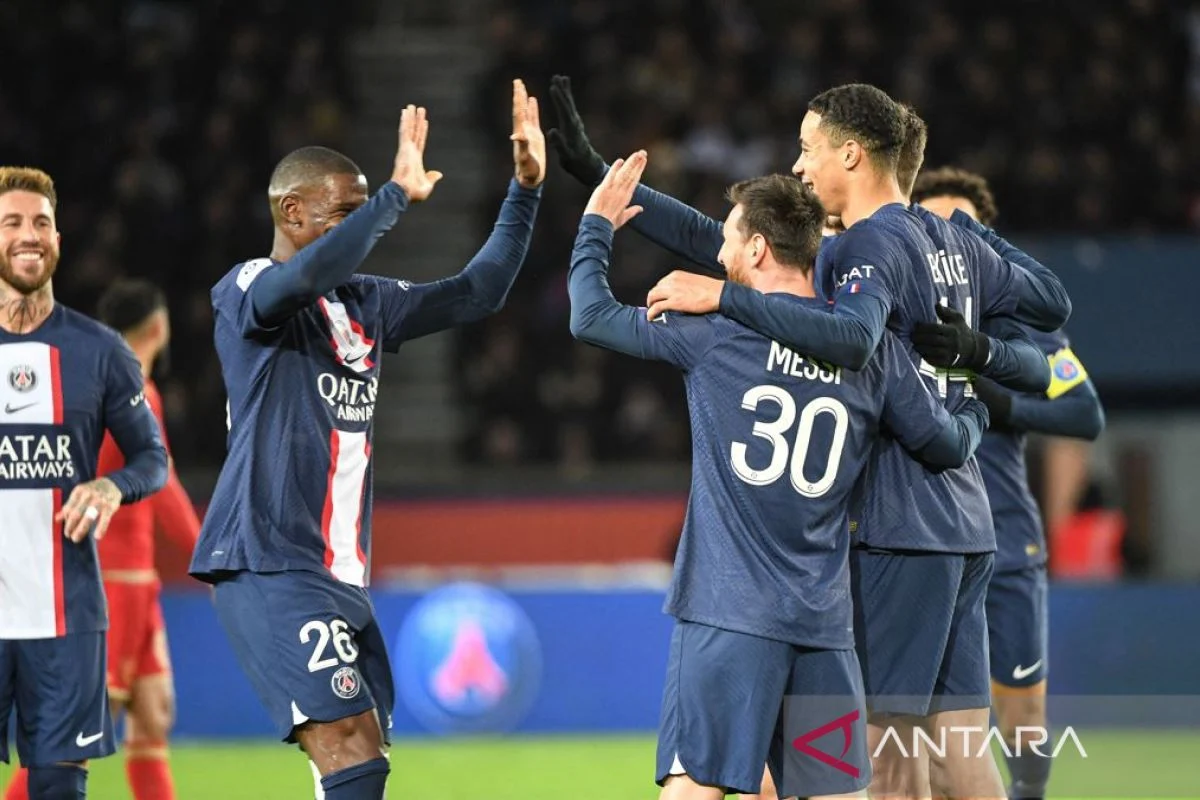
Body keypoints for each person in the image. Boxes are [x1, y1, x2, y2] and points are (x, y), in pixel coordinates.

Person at [549, 79, 1074, 799]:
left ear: (852, 155)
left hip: (898, 526)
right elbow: (1049, 320)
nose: (798, 164)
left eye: (806, 148)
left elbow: (840, 330)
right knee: (953, 751)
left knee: (889, 762)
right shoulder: (943, 240)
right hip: (961, 518)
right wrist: (979, 360)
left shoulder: (863, 252)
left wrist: (721, 294)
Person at [187, 80, 544, 800]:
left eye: (359, 212)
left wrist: (525, 190)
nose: (357, 229)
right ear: (292, 212)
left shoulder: (366, 303)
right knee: (349, 746)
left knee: (357, 752)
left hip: (339, 572)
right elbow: (302, 276)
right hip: (268, 557)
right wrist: (389, 199)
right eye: (340, 213)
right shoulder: (251, 286)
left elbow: (480, 291)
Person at [913, 166, 1106, 800]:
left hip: (1006, 542)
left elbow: (1084, 412)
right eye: (934, 223)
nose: (946, 237)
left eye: (961, 225)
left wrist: (1006, 406)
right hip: (918, 541)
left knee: (1021, 720)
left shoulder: (1018, 326)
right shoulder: (895, 310)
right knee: (917, 726)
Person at [0, 167, 168, 799]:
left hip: (66, 614)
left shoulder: (100, 352)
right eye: (12, 222)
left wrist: (109, 488)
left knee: (58, 787)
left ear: (58, 242)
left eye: (40, 223)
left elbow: (152, 458)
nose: (28, 235)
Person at [5, 281, 203, 800]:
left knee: (154, 712)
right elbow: (164, 487)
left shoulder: (91, 378)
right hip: (111, 582)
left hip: (139, 584)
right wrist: (211, 556)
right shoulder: (130, 384)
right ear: (159, 329)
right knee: (81, 734)